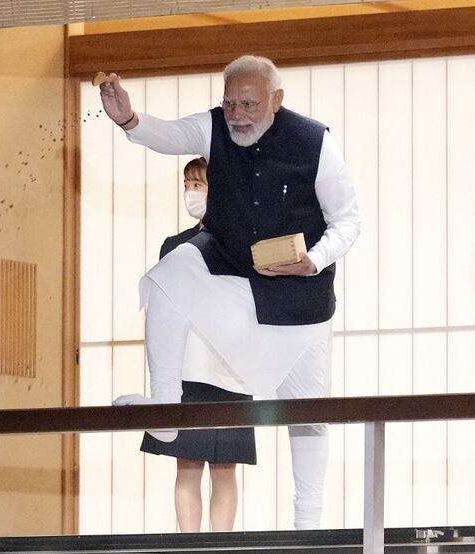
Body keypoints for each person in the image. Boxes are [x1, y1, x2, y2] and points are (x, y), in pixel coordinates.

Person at [99, 55, 360, 530]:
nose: (236, 114)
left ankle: (310, 528)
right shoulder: (217, 126)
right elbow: (171, 134)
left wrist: (314, 260)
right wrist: (129, 120)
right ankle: (165, 407)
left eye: (249, 104)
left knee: (309, 416)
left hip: (299, 299)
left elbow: (348, 221)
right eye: (229, 102)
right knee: (169, 272)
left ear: (276, 101)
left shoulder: (315, 142)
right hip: (232, 276)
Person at [140, 157, 257, 533]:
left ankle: (222, 543)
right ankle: (187, 543)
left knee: (225, 468)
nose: (192, 193)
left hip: (231, 369)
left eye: (200, 185)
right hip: (186, 368)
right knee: (186, 464)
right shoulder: (174, 245)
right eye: (188, 185)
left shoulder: (243, 244)